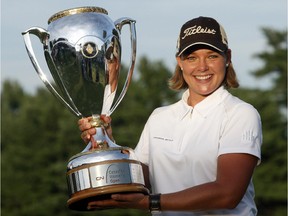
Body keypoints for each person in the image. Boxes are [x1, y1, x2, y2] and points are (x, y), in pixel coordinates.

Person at [78, 16, 262, 215]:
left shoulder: (240, 114)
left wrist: (149, 203)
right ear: (180, 62)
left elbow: (227, 193)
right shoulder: (159, 117)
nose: (202, 67)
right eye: (191, 57)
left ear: (228, 58)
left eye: (212, 56)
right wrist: (105, 143)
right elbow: (137, 182)